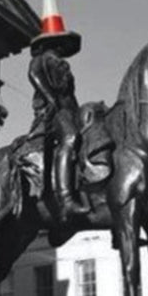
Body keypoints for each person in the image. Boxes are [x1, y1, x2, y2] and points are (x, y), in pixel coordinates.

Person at [27, 46, 89, 222]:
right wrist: (50, 98)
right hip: (53, 111)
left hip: (69, 110)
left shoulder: (62, 64)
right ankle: (66, 199)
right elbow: (34, 74)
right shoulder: (41, 59)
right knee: (70, 138)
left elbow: (70, 93)